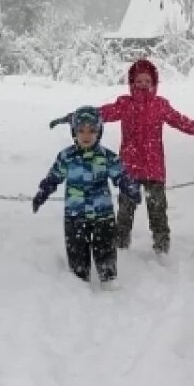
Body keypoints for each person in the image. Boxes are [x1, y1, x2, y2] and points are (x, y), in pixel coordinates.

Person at [49, 58, 194, 255]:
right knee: (124, 212)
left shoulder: (160, 105)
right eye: (139, 82)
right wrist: (69, 117)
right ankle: (121, 247)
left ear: (154, 83)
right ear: (132, 83)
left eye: (147, 81)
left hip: (154, 169)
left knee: (158, 211)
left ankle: (162, 248)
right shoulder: (125, 104)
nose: (143, 85)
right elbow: (97, 114)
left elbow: (182, 122)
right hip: (129, 168)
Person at [32, 105, 142, 285]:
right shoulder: (66, 157)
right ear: (74, 131)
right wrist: (43, 192)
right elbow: (54, 177)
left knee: (105, 249)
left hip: (103, 215)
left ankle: (108, 280)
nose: (86, 135)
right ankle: (79, 283)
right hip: (75, 216)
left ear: (99, 132)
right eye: (81, 130)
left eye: (92, 130)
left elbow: (121, 175)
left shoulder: (107, 157)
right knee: (77, 253)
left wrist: (130, 188)